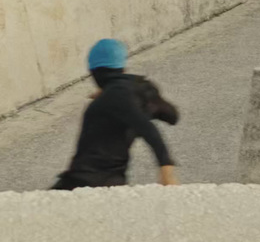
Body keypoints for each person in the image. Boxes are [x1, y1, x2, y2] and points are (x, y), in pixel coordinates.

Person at [51, 38, 180, 189]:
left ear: (93, 72)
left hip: (85, 182)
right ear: (121, 67)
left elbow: (148, 129)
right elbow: (172, 116)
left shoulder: (114, 97)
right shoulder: (139, 89)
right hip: (113, 180)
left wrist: (166, 171)